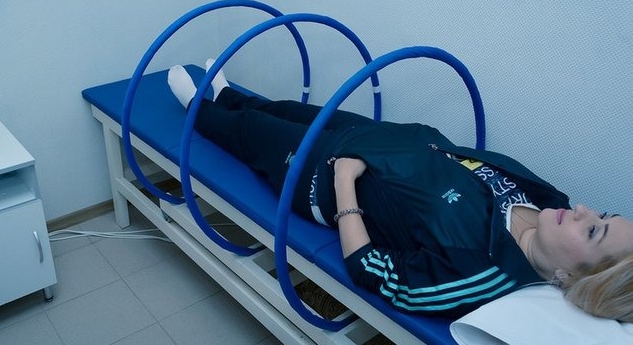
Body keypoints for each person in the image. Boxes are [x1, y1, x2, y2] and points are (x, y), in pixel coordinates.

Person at [167, 61, 633, 321]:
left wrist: (344, 183)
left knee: (250, 132)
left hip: (328, 176)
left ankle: (198, 109)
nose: (583, 210)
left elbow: (372, 270)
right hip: (380, 141)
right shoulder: (551, 203)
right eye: (603, 215)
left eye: (594, 231)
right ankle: (226, 95)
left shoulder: (480, 271)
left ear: (569, 277)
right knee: (285, 110)